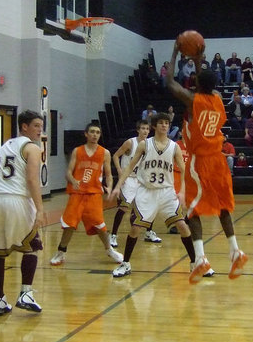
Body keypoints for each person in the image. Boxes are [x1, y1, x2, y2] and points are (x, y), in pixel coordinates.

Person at [167, 38, 247, 281]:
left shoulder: (193, 102)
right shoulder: (217, 100)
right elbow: (206, 80)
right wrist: (198, 59)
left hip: (200, 161)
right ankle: (235, 251)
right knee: (223, 207)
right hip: (219, 160)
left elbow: (169, 81)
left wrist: (175, 52)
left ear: (196, 84)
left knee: (192, 211)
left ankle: (200, 258)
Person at [0, 110, 46, 316]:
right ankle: (25, 293)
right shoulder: (32, 148)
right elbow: (32, 181)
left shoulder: (4, 146)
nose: (40, 130)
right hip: (15, 200)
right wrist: (40, 209)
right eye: (36, 126)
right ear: (24, 126)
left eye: (41, 126)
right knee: (32, 245)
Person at [110, 113, 195, 279]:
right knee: (135, 228)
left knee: (183, 226)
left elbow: (184, 170)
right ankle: (126, 263)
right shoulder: (144, 145)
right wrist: (118, 185)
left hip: (166, 192)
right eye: (161, 123)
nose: (164, 126)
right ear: (155, 126)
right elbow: (129, 167)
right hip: (147, 191)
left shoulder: (174, 147)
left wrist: (183, 191)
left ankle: (195, 263)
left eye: (167, 123)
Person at [50, 122, 123, 267]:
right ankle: (61, 252)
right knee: (69, 224)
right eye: (92, 132)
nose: (95, 134)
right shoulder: (77, 151)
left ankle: (109, 249)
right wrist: (73, 180)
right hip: (77, 193)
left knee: (99, 224)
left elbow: (108, 175)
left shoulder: (105, 153)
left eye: (97, 132)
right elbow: (68, 172)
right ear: (86, 134)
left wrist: (109, 187)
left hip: (94, 193)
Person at [109, 120, 161, 248]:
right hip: (129, 179)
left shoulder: (150, 145)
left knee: (150, 205)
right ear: (138, 130)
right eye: (142, 128)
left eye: (147, 129)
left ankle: (149, 232)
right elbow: (115, 156)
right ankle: (113, 235)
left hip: (142, 179)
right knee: (124, 208)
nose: (145, 131)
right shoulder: (130, 143)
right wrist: (120, 172)